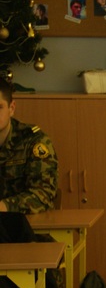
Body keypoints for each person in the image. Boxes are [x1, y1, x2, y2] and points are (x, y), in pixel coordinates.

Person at [0, 79, 58, 213]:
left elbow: (44, 194)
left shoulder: (34, 141)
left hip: (27, 223)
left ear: (11, 108)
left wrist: (4, 206)